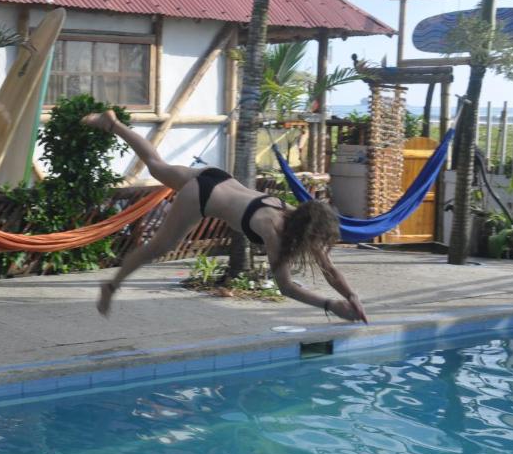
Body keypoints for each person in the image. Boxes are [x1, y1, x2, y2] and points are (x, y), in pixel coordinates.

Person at [81, 110, 368, 323]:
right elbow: (286, 287)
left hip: (217, 177)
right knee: (159, 247)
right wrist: (332, 305)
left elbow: (329, 269)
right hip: (201, 197)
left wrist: (351, 295)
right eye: (321, 238)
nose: (321, 245)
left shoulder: (292, 213)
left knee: (156, 165)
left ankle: (112, 123)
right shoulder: (274, 232)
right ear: (310, 231)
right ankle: (111, 286)